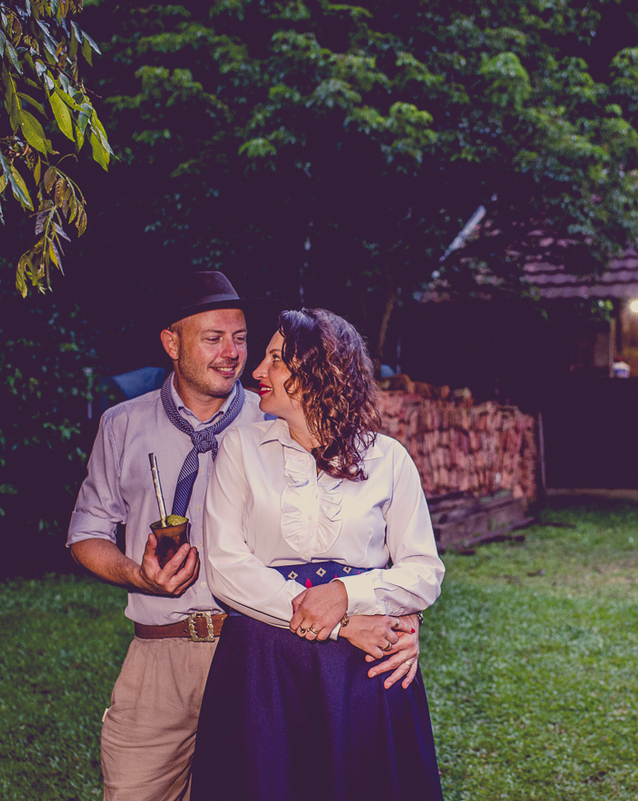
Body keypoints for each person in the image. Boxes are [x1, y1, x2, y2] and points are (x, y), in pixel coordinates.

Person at [67, 275, 421, 801]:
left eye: (241, 338)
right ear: (172, 343)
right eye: (214, 338)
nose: (233, 353)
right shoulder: (122, 426)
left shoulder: (282, 414)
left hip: (266, 652)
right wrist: (137, 574)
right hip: (163, 653)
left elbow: (370, 544)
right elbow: (86, 534)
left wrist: (397, 617)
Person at [193, 308, 445, 801]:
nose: (257, 372)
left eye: (275, 360)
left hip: (363, 671)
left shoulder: (388, 458)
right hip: (263, 666)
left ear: (317, 371)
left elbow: (424, 572)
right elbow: (226, 567)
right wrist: (342, 620)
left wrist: (346, 593)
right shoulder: (241, 449)